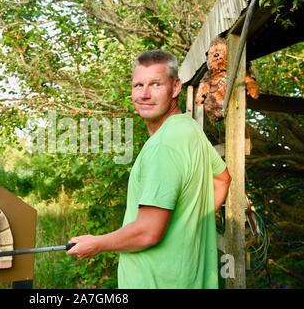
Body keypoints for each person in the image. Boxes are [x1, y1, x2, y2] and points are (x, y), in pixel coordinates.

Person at [66, 49, 232, 288]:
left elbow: (147, 232)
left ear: (175, 88)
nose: (144, 94)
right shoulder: (189, 128)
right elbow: (222, 179)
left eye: (155, 84)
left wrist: (97, 243)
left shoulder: (163, 147)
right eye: (138, 85)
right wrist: (186, 224)